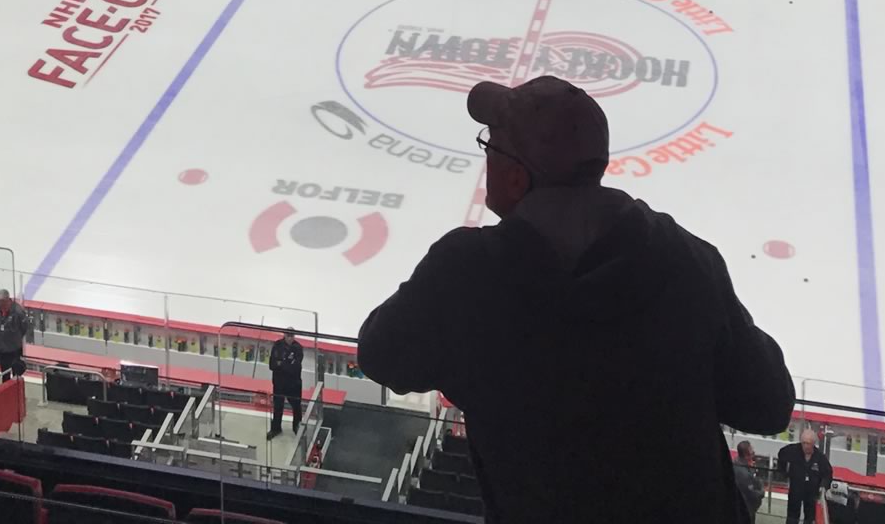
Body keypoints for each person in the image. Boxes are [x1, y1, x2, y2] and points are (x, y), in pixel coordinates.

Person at [357, 76, 793, 523]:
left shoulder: (466, 273)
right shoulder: (686, 259)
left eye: (490, 145)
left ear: (514, 174)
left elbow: (382, 354)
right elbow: (767, 403)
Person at [778, 428, 833, 523]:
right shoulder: (793, 450)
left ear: (813, 443)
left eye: (808, 443)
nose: (806, 446)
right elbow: (781, 455)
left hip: (811, 492)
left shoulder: (820, 457)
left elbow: (828, 473)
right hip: (796, 488)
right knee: (792, 516)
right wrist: (784, 472)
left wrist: (823, 486)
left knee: (810, 517)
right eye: (804, 443)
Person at [267, 327, 305, 439]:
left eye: (292, 336)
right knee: (278, 406)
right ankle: (276, 428)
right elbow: (272, 365)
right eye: (288, 335)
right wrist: (286, 364)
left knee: (296, 406)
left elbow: (295, 367)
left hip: (293, 384)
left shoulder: (298, 348)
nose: (290, 338)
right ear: (284, 335)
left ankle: (297, 427)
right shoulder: (277, 345)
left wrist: (281, 364)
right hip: (279, 383)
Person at [0, 290, 28, 380]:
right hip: (1, 347)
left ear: (7, 300)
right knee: (5, 373)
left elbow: (24, 328)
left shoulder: (18, 312)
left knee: (16, 373)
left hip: (14, 348)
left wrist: (15, 337)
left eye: (1, 303)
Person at [735, 440, 764, 521]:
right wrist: (761, 492)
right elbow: (751, 493)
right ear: (746, 455)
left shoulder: (740, 462)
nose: (753, 452)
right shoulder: (743, 473)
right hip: (746, 508)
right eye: (751, 451)